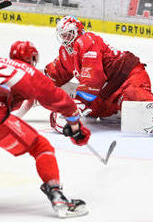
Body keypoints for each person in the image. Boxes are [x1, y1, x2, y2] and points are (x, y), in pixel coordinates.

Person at [0, 40, 91, 218]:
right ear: (32, 58)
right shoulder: (30, 73)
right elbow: (61, 101)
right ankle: (58, 198)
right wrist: (76, 128)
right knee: (41, 147)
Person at [45, 15, 153, 131]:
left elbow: (93, 77)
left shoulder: (87, 40)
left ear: (78, 31)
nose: (65, 38)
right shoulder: (65, 52)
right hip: (106, 91)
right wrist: (38, 87)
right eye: (63, 35)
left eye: (69, 33)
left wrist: (80, 102)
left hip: (127, 77)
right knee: (93, 110)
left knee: (135, 96)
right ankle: (118, 111)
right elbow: (57, 73)